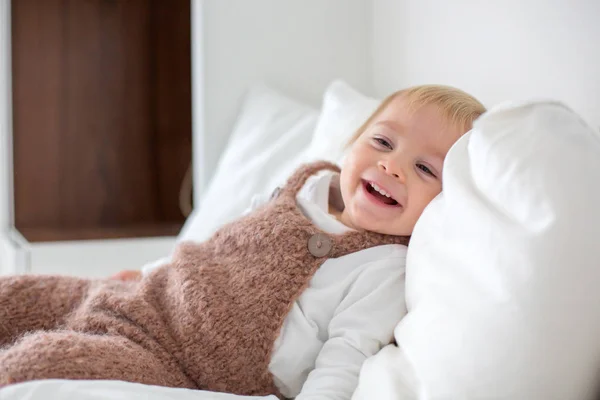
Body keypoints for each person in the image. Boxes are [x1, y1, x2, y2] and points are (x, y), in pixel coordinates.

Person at [0, 85, 485, 400]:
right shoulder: (304, 186)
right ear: (351, 144)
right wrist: (147, 272)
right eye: (382, 142)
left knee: (35, 367)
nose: (392, 166)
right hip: (147, 300)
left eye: (425, 169)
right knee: (12, 297)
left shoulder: (381, 268)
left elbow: (346, 358)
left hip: (180, 363)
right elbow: (222, 247)